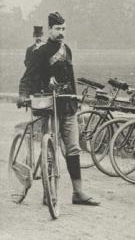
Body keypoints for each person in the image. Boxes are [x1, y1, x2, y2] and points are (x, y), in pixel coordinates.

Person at [18, 12, 100, 206]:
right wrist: (23, 95)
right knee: (50, 149)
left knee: (73, 148)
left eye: (63, 29)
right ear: (50, 30)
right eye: (57, 29)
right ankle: (48, 192)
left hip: (68, 105)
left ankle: (78, 193)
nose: (61, 32)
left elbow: (70, 77)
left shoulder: (67, 49)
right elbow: (28, 77)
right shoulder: (41, 52)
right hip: (49, 106)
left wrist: (76, 101)